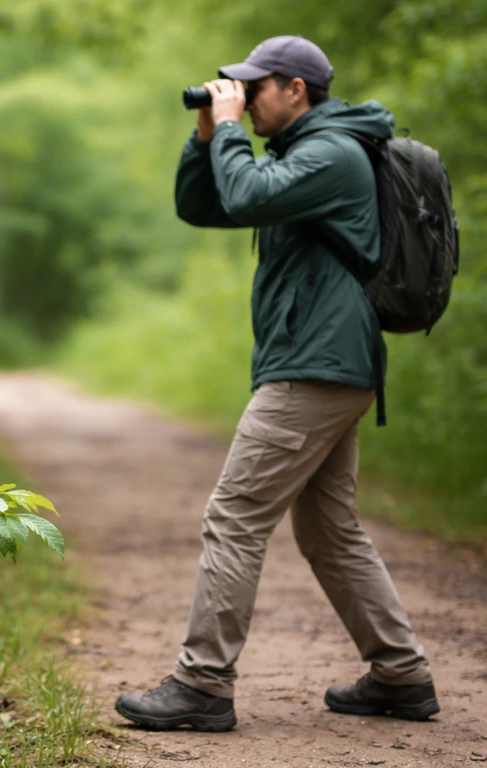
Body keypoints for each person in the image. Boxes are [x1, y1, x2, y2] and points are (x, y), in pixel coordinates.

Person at [115, 36, 439, 732]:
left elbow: (248, 190)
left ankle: (201, 685)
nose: (242, 96)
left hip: (315, 366)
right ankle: (402, 675)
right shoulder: (304, 155)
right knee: (329, 529)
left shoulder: (333, 154)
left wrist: (229, 131)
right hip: (323, 361)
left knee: (234, 516)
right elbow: (207, 206)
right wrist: (208, 132)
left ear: (296, 90)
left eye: (253, 87)